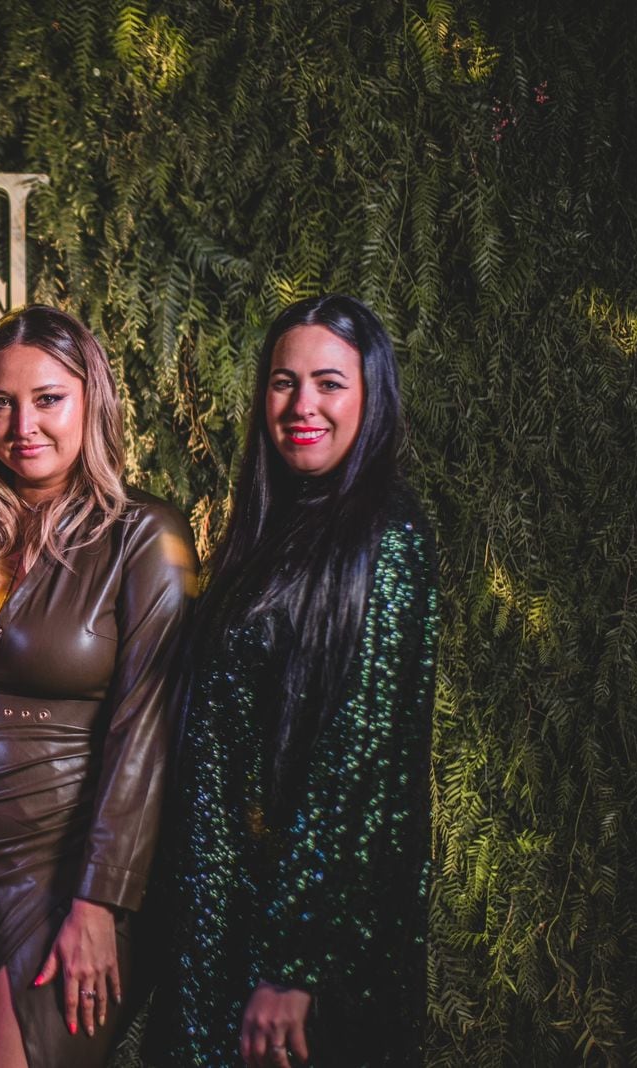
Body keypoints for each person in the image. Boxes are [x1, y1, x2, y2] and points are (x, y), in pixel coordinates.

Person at [145, 293, 439, 1067]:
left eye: (329, 383)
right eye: (283, 382)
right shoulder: (273, 531)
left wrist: (294, 964)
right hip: (224, 923)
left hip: (294, 951)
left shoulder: (388, 537)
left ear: (371, 396)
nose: (302, 404)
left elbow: (358, 764)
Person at [0, 305, 197, 1068]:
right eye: (0, 403)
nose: (22, 424)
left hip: (65, 871)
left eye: (48, 399)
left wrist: (101, 902)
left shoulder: (146, 536)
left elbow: (148, 730)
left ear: (91, 402)